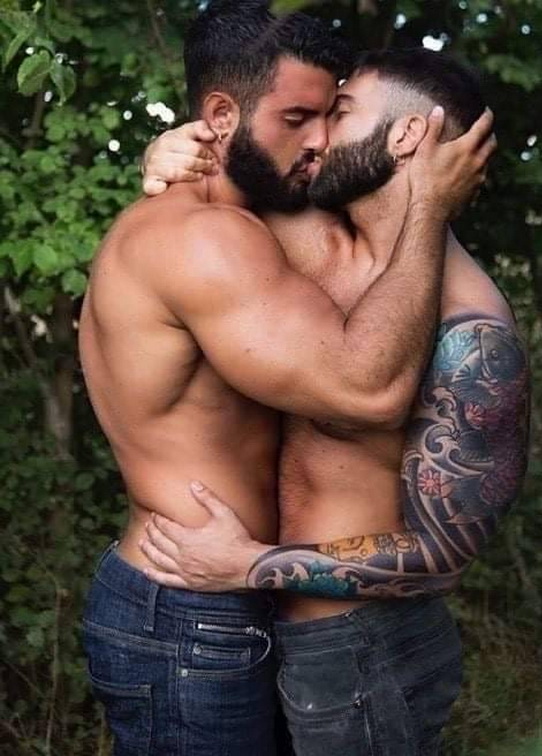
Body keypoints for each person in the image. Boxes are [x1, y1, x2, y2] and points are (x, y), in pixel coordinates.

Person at [79, 2, 493, 754]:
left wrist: (172, 149)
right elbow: (368, 392)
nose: (321, 140)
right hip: (187, 611)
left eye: (330, 115)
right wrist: (431, 207)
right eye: (297, 118)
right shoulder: (204, 240)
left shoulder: (257, 219)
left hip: (236, 598)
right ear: (220, 115)